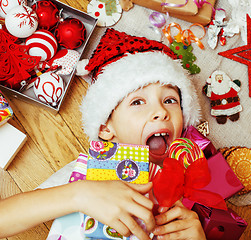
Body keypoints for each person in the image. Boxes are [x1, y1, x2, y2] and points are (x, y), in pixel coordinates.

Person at [0, 28, 206, 240]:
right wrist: (80, 194)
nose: (161, 112)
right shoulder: (89, 172)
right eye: (137, 102)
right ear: (105, 128)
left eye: (170, 100)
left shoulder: (191, 197)